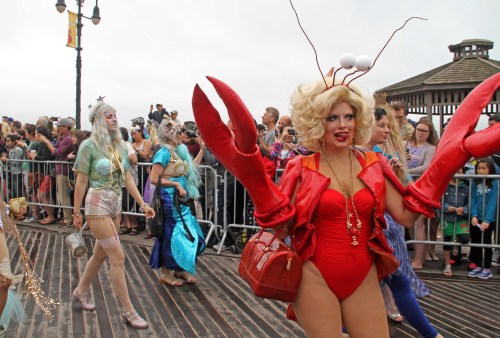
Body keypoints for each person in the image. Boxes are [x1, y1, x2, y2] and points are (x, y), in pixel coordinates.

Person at [192, 74, 500, 337]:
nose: (343, 125)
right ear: (317, 122)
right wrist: (255, 180)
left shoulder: (374, 163)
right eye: (332, 118)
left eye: (349, 116)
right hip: (314, 277)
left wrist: (450, 159)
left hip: (363, 276)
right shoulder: (302, 166)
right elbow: (280, 227)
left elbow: (407, 216)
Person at [71, 101, 155, 329]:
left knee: (100, 255)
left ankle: (79, 291)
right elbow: (80, 180)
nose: (115, 119)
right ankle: (129, 310)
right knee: (118, 257)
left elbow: (128, 178)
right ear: (99, 120)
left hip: (115, 206)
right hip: (97, 205)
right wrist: (76, 212)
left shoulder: (119, 146)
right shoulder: (88, 145)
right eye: (109, 116)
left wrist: (142, 204)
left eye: (115, 115)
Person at [361, 105, 441, 337]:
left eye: (389, 126)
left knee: (396, 282)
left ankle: (430, 333)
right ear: (367, 125)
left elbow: (396, 203)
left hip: (387, 228)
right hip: (375, 231)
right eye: (382, 125)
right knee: (389, 284)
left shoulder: (377, 157)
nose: (387, 130)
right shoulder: (364, 158)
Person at [148, 118, 206, 286]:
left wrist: (202, 149)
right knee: (170, 233)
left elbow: (190, 168)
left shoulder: (177, 151)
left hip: (180, 199)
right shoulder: (163, 153)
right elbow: (153, 178)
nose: (182, 135)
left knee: (190, 231)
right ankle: (166, 272)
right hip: (168, 199)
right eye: (179, 132)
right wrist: (173, 183)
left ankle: (179, 269)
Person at [405, 118, 438, 269]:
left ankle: (419, 259)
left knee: (419, 223)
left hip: (421, 188)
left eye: (424, 131)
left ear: (429, 133)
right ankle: (417, 256)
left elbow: (427, 167)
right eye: (418, 129)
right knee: (409, 222)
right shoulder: (406, 144)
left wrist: (405, 171)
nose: (420, 133)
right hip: (406, 186)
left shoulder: (430, 148)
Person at [37, 118, 75, 227]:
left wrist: (46, 141)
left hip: (64, 170)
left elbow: (56, 152)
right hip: (60, 169)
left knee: (64, 196)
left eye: (60, 126)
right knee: (61, 196)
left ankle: (68, 219)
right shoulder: (62, 138)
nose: (58, 128)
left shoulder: (68, 139)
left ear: (65, 127)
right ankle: (66, 218)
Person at [467, 157, 498, 280]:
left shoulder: (495, 182)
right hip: (476, 218)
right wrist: (473, 215)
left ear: (490, 168)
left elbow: (493, 202)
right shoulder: (474, 182)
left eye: (484, 168)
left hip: (488, 219)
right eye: (479, 168)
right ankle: (478, 265)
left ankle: (487, 267)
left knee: (486, 243)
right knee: (476, 242)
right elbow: (472, 199)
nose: (481, 171)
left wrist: (487, 220)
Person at [442, 167, 470, 277]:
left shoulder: (466, 188)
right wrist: (446, 207)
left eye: (460, 170)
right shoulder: (445, 187)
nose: (457, 171)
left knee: (465, 238)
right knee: (447, 241)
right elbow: (439, 202)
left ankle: (456, 243)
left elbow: (469, 205)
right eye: (455, 169)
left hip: (460, 219)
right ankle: (447, 264)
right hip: (448, 218)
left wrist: (464, 210)